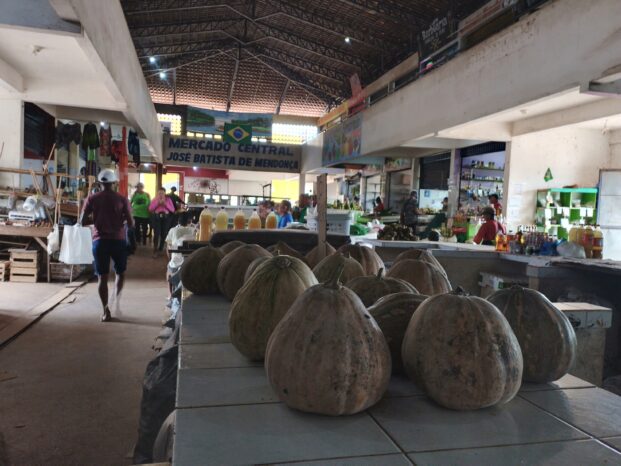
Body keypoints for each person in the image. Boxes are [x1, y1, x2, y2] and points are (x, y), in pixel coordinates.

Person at [80, 169, 133, 322]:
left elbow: (82, 221)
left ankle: (105, 311)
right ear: (114, 182)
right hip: (118, 240)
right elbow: (130, 223)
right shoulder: (122, 199)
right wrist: (121, 221)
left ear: (100, 183)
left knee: (102, 278)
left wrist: (97, 222)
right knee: (120, 273)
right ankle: (115, 299)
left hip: (99, 241)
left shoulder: (92, 198)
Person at [149, 187, 176, 258]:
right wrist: (158, 203)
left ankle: (160, 247)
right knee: (156, 234)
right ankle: (155, 250)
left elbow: (173, 210)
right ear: (157, 193)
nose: (160, 194)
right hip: (156, 218)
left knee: (164, 233)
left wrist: (165, 204)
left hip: (166, 218)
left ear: (165, 193)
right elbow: (150, 209)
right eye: (159, 193)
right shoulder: (155, 199)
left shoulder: (168, 199)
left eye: (162, 193)